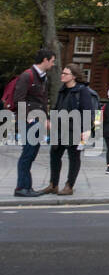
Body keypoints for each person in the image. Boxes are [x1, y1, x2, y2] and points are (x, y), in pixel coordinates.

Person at [48, 64, 97, 196]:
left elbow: (87, 110)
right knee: (54, 155)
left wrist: (86, 130)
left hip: (75, 129)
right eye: (62, 73)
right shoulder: (62, 90)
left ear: (74, 76)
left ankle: (69, 186)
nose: (62, 75)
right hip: (59, 128)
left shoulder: (82, 91)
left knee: (74, 158)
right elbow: (57, 107)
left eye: (65, 74)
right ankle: (53, 184)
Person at [12, 48, 56, 197]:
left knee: (30, 154)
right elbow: (19, 99)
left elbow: (41, 102)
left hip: (38, 121)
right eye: (52, 61)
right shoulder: (27, 76)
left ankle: (26, 187)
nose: (53, 64)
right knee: (27, 154)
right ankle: (21, 188)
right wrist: (28, 118)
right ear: (45, 60)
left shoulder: (42, 77)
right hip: (29, 122)